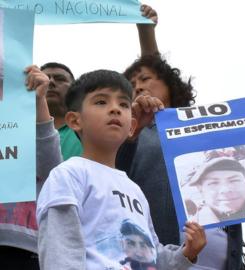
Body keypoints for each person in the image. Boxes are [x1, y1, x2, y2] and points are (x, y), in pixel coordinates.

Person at [36, 69, 206, 269]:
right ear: (75, 120)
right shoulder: (68, 174)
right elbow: (61, 252)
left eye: (124, 104)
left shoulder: (134, 189)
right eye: (101, 102)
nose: (115, 109)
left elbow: (151, 254)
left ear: (132, 127)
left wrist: (186, 253)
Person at [117, 5, 244, 268]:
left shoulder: (204, 129)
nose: (138, 86)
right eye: (130, 84)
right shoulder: (127, 135)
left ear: (171, 87)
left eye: (145, 78)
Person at [0, 65, 62, 269]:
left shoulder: (33, 127)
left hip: (26, 250)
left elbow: (52, 172)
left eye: (4, 84)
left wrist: (39, 101)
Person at [40, 62, 83, 160]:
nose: (50, 82)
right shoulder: (18, 130)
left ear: (74, 89)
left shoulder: (91, 129)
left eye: (60, 79)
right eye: (42, 80)